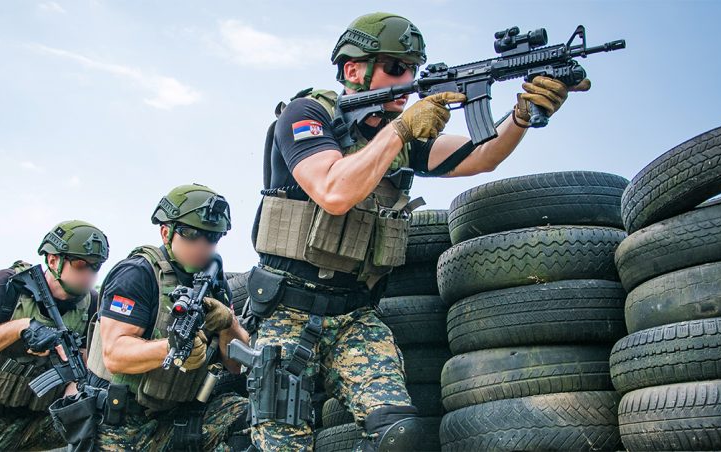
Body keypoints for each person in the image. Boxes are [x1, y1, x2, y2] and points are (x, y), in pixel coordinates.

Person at [247, 12, 591, 451]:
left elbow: (480, 156)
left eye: (412, 69)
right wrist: (400, 129)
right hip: (286, 312)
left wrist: (523, 114)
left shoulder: (403, 139)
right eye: (394, 68)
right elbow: (333, 191)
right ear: (354, 69)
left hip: (356, 315)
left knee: (400, 436)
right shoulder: (309, 114)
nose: (406, 79)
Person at [87, 184, 251, 450]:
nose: (202, 245)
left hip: (178, 415)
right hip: (120, 422)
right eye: (191, 234)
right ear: (166, 232)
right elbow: (114, 355)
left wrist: (228, 324)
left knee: (251, 419)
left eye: (212, 237)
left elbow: (236, 366)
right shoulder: (138, 274)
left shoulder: (215, 282)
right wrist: (172, 347)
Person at [0, 220, 109, 451]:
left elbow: (86, 370)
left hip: (43, 421)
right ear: (53, 260)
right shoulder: (8, 285)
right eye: (81, 264)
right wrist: (20, 329)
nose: (89, 273)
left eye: (96, 266)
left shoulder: (92, 304)